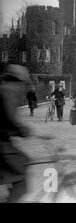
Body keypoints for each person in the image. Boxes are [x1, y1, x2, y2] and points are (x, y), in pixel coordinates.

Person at [0, 64, 31, 203]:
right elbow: (11, 119)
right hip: (2, 145)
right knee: (22, 176)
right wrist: (25, 131)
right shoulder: (9, 91)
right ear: (18, 80)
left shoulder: (3, 89)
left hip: (4, 142)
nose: (23, 87)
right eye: (23, 82)